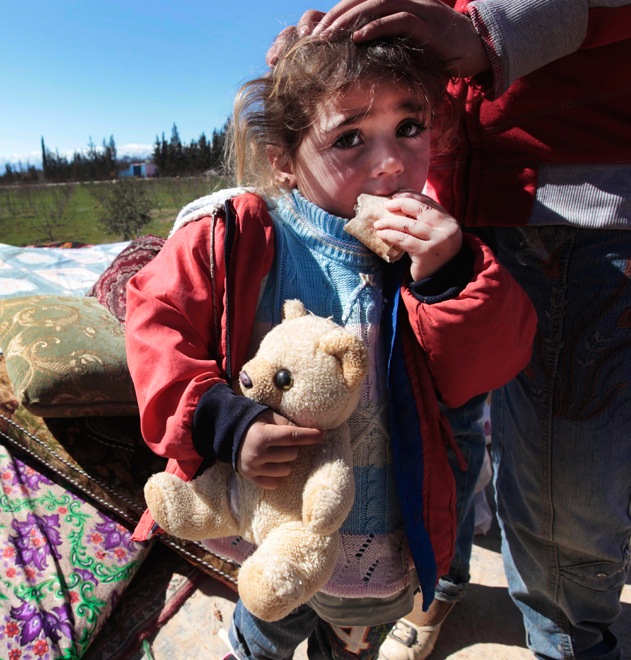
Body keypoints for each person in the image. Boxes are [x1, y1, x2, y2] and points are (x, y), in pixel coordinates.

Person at [125, 23, 537, 660]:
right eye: (350, 137)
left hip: (381, 528)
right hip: (272, 516)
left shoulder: (438, 253)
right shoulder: (239, 234)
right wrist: (223, 421)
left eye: (409, 126)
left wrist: (451, 278)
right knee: (269, 614)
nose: (392, 162)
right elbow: (157, 323)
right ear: (284, 161)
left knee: (352, 640)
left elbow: (487, 366)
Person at [294, 2, 631, 659]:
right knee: (434, 429)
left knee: (563, 487)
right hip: (441, 199)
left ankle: (569, 641)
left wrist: (493, 26)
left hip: (573, 203)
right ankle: (434, 582)